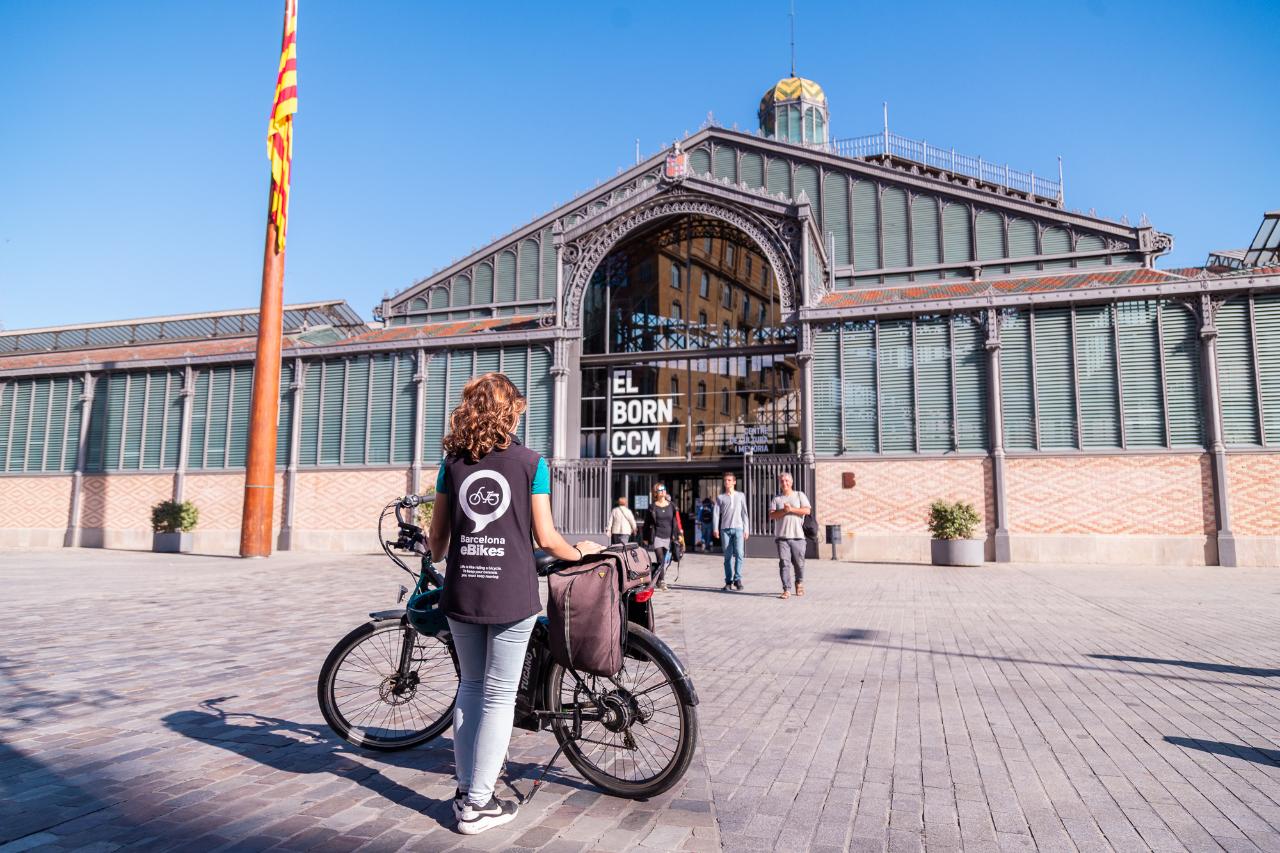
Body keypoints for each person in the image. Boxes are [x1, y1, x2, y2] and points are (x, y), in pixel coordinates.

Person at [427, 372, 602, 835]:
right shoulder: (531, 462)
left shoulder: (452, 465)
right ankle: (478, 804)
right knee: (500, 694)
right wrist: (580, 552)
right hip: (511, 591)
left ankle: (467, 790)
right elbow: (545, 536)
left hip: (461, 590)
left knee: (470, 687)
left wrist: (447, 550)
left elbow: (438, 542)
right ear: (511, 412)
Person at [768, 472, 812, 599]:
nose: (784, 483)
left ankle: (799, 582)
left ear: (791, 482)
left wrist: (791, 509)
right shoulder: (776, 499)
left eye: (787, 480)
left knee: (799, 563)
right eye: (782, 481)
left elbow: (807, 510)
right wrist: (783, 511)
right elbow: (772, 515)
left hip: (798, 537)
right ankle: (786, 589)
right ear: (779, 483)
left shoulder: (799, 495)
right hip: (782, 538)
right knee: (784, 563)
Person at [712, 472, 749, 591]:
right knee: (727, 556)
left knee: (739, 554)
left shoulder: (741, 496)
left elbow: (744, 513)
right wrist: (715, 528)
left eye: (729, 480)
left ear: (734, 482)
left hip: (738, 529)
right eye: (725, 480)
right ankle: (728, 581)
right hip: (725, 529)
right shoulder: (720, 497)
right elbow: (716, 514)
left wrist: (746, 529)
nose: (726, 482)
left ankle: (737, 579)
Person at [642, 483, 681, 591]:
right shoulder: (652, 507)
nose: (663, 491)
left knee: (666, 561)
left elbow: (675, 522)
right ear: (656, 493)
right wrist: (645, 538)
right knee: (660, 559)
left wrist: (678, 535)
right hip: (657, 536)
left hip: (669, 537)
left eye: (664, 489)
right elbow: (647, 523)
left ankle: (658, 579)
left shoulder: (672, 505)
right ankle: (662, 581)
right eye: (660, 490)